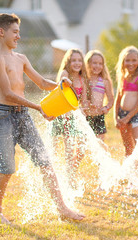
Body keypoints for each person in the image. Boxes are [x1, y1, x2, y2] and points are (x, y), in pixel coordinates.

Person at [0, 13, 85, 224]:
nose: (18, 36)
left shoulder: (21, 59)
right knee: (7, 169)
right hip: (2, 117)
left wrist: (60, 85)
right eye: (15, 32)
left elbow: (41, 82)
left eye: (19, 32)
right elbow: (7, 93)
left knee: (45, 162)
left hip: (22, 116)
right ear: (1, 32)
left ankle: (62, 209)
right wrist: (38, 107)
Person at [114, 46, 138, 187]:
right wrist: (116, 117)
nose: (131, 63)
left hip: (135, 116)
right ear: (123, 62)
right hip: (122, 115)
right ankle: (131, 178)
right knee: (128, 148)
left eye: (134, 60)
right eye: (127, 60)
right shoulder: (122, 77)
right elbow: (118, 98)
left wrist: (127, 118)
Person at [51, 48, 88, 187]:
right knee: (54, 149)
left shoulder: (82, 79)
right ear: (68, 62)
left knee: (70, 148)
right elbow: (62, 78)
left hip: (71, 118)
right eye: (74, 60)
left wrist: (84, 114)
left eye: (79, 60)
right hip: (59, 115)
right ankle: (51, 178)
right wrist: (65, 80)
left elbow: (83, 101)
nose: (77, 63)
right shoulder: (66, 73)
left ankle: (69, 178)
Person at [84, 50, 114, 141]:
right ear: (88, 64)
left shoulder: (104, 81)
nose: (97, 66)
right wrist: (86, 105)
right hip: (86, 117)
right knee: (82, 147)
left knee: (100, 145)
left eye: (100, 63)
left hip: (99, 117)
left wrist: (107, 107)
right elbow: (82, 99)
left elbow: (111, 99)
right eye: (94, 63)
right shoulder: (85, 80)